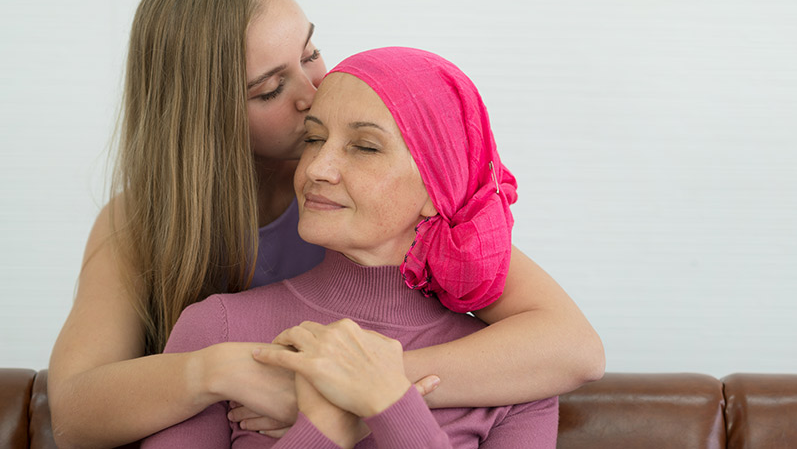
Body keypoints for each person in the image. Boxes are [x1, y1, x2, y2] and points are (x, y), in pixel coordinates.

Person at [48, 0, 604, 449]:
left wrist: (362, 386)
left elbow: (571, 346)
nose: (317, 92)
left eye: (311, 52)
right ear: (204, 119)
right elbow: (73, 414)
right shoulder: (142, 227)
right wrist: (213, 370)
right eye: (269, 89)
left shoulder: (390, 207)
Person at [141, 46, 560, 448]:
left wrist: (391, 406)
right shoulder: (215, 329)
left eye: (364, 147)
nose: (318, 169)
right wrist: (326, 426)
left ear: (439, 188)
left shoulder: (518, 374)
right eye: (313, 139)